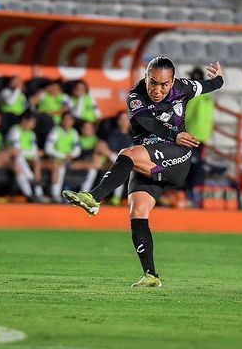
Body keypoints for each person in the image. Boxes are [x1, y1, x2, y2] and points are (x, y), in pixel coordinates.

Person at [62, 57, 224, 288]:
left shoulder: (184, 87)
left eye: (164, 84)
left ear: (173, 81)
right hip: (150, 160)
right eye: (153, 83)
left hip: (177, 156)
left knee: (127, 154)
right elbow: (149, 123)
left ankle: (94, 198)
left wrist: (218, 78)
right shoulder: (135, 96)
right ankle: (151, 275)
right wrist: (173, 134)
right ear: (146, 77)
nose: (157, 90)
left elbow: (212, 86)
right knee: (137, 211)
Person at [184, 67, 215, 205]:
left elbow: (187, 115)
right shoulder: (207, 96)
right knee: (196, 163)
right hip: (202, 136)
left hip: (192, 135)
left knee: (189, 163)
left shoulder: (194, 96)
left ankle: (189, 191)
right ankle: (194, 191)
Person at [6, 112, 47, 202]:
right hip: (10, 159)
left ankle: (38, 193)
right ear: (24, 120)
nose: (34, 125)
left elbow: (34, 151)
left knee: (37, 162)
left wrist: (35, 155)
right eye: (32, 122)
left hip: (26, 158)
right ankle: (29, 192)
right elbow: (16, 150)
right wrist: (33, 153)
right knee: (18, 160)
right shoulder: (15, 130)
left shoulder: (31, 134)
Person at [44, 111, 81, 202]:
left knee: (91, 166)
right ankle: (55, 195)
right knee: (60, 167)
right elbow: (48, 148)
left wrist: (71, 154)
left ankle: (84, 194)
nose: (68, 122)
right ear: (62, 121)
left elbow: (77, 149)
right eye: (66, 119)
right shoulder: (56, 131)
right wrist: (63, 155)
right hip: (55, 160)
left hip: (68, 160)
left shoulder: (74, 132)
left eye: (70, 120)